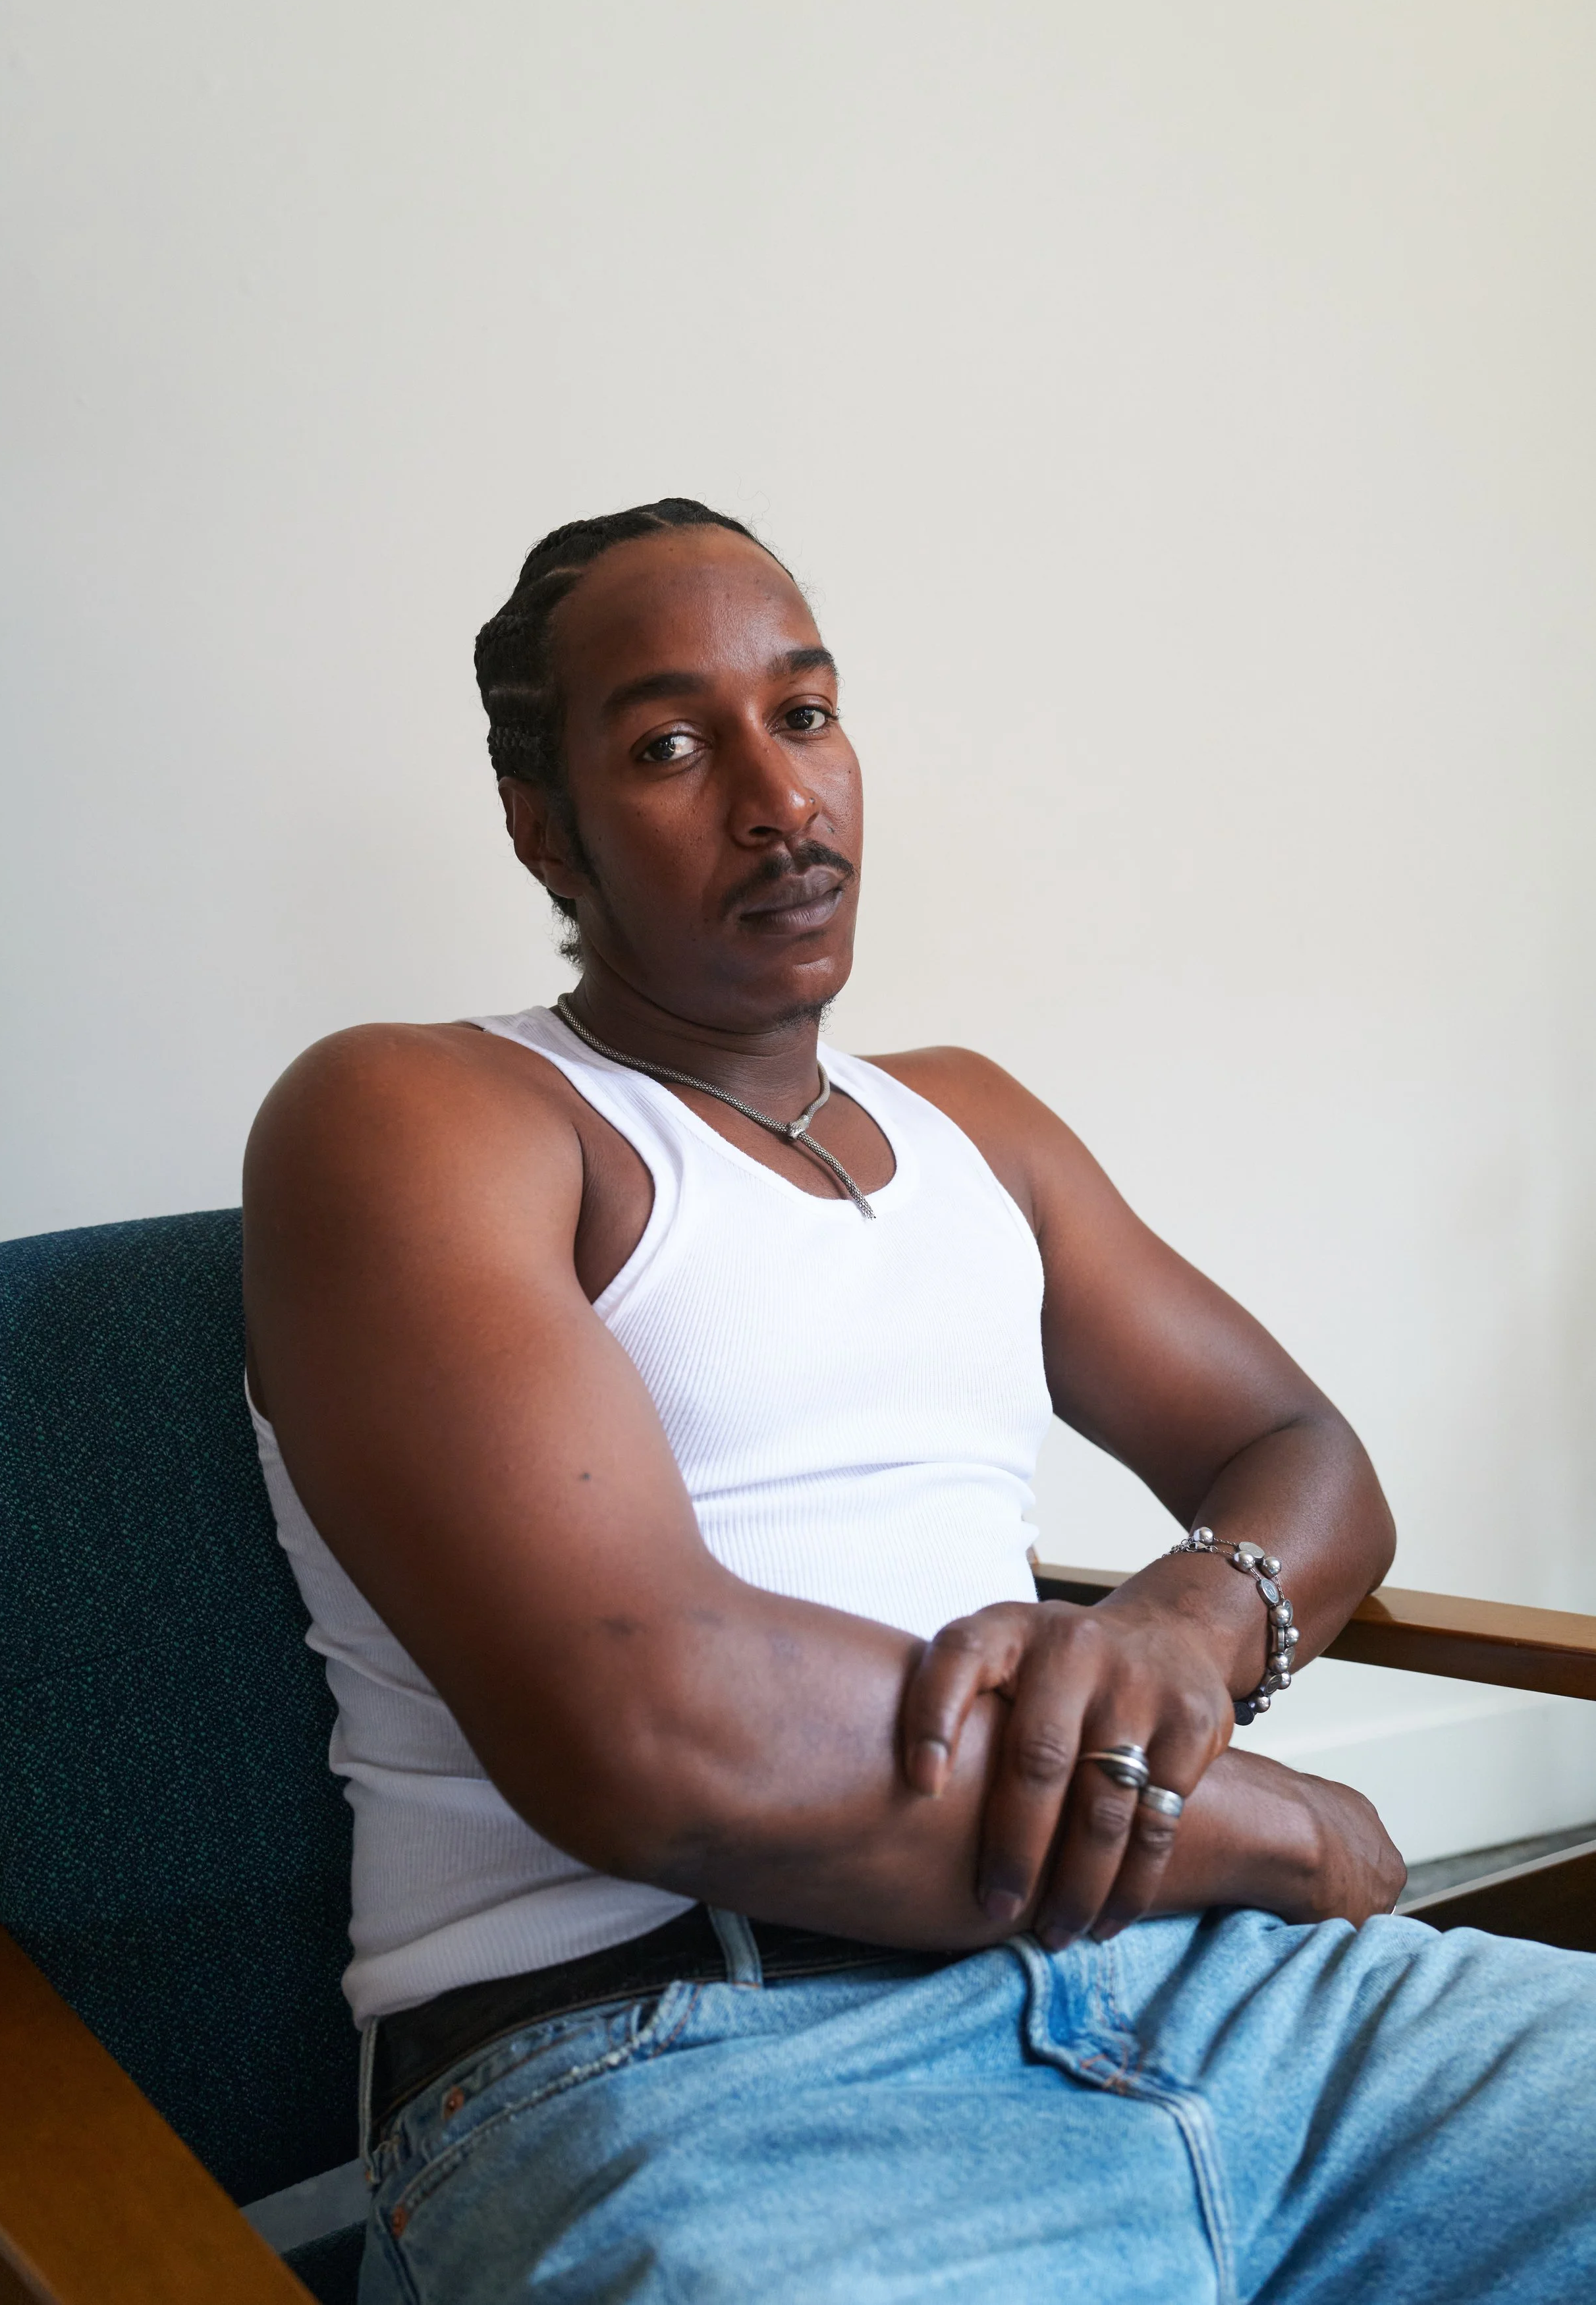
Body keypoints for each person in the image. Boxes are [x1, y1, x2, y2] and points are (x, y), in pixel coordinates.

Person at [243, 500, 1595, 2304]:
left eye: (803, 717)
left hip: (1214, 1994)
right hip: (694, 2054)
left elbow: (1300, 1455)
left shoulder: (975, 1121)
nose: (778, 800)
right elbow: (656, 1738)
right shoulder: (420, 1114)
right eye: (669, 748)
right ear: (542, 829)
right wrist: (1257, 1820)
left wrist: (1181, 1628)